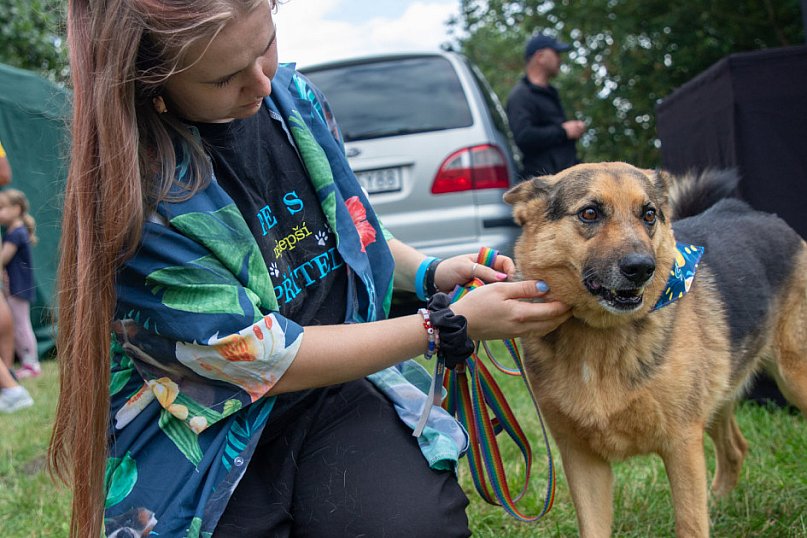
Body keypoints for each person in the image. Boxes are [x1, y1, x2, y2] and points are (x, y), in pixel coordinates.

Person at [48, 1, 571, 537]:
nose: (260, 82)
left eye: (266, 45)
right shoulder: (138, 195)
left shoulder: (295, 99)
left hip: (332, 388)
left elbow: (352, 228)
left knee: (414, 527)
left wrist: (429, 273)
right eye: (225, 78)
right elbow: (260, 357)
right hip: (204, 429)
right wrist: (439, 327)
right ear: (150, 81)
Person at [506, 32, 587, 178]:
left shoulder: (550, 92)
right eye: (556, 53)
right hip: (543, 184)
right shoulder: (521, 95)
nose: (560, 59)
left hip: (564, 178)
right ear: (540, 57)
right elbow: (524, 137)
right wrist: (564, 131)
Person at [0, 188, 40, 378]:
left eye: (2, 208)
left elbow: (3, 258)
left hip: (19, 287)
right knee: (17, 325)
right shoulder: (12, 231)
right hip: (14, 287)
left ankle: (31, 365)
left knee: (21, 325)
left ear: (17, 209)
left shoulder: (16, 233)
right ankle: (27, 363)